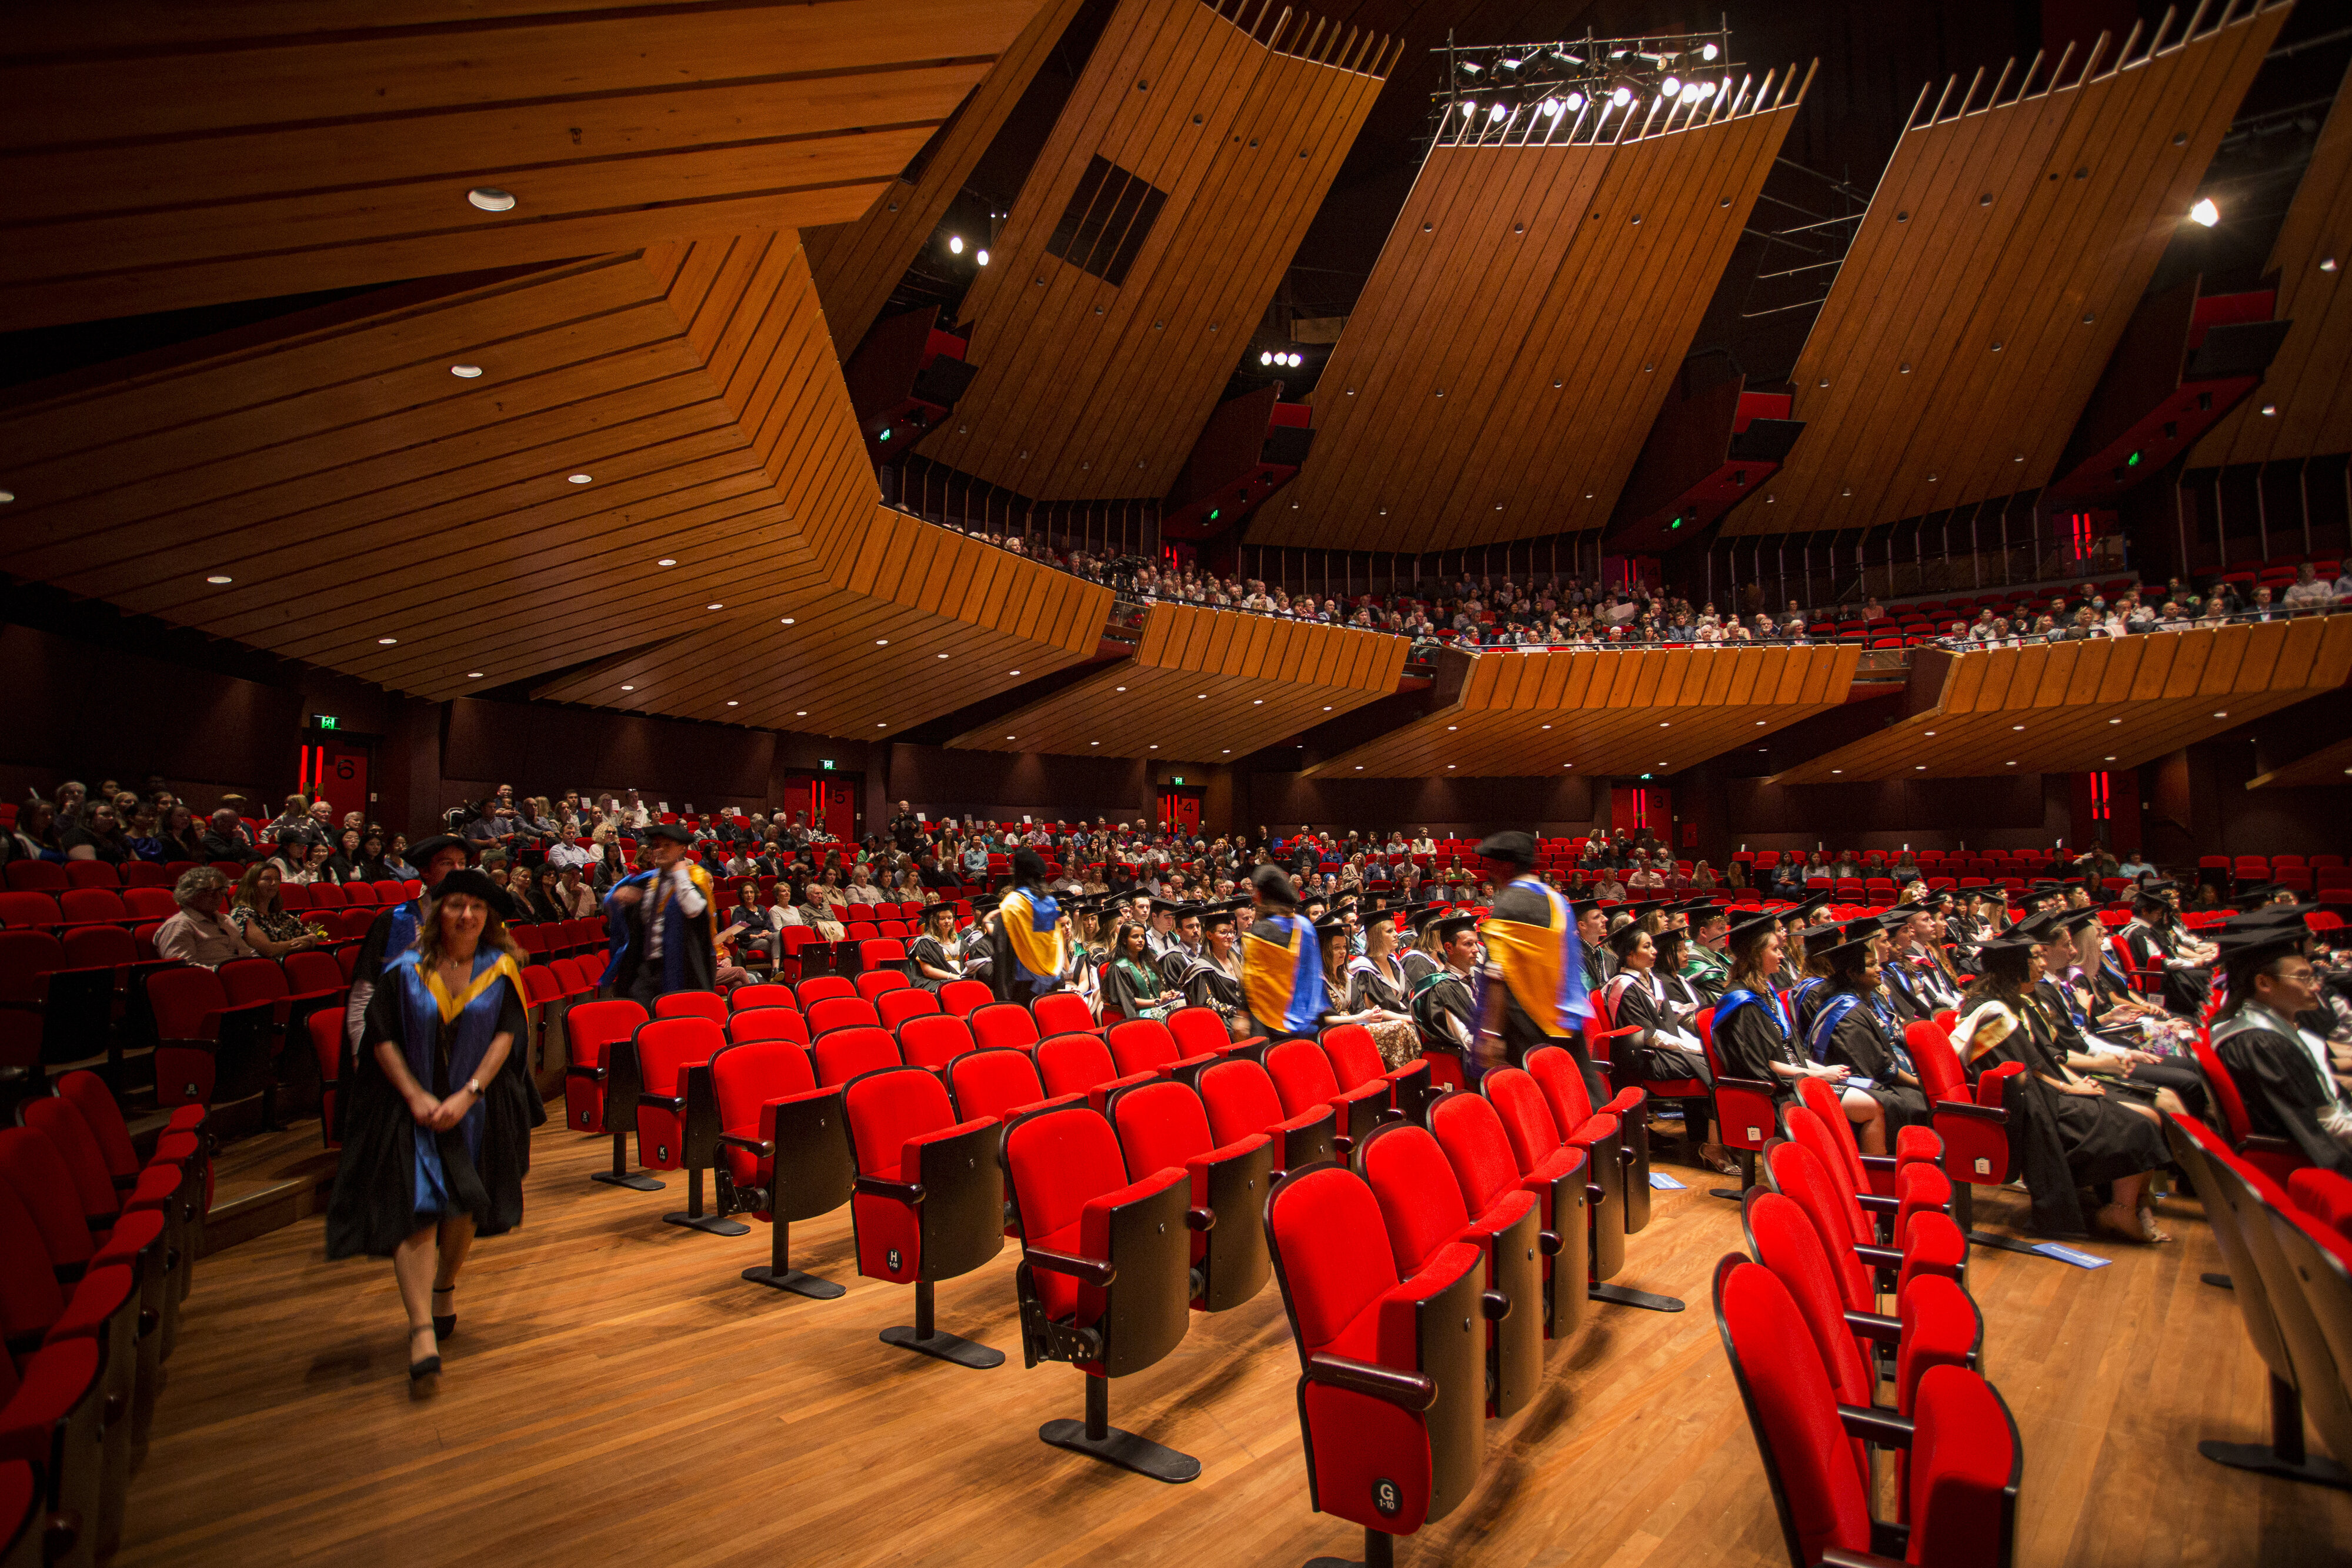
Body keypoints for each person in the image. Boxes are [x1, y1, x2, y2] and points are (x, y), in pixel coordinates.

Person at [325, 869, 538, 1381]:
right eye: (456, 905)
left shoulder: (501, 970)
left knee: (463, 1206)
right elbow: (381, 1036)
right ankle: (420, 1327)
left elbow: (506, 1036)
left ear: (489, 917)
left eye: (477, 907)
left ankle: (444, 1287)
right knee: (417, 1208)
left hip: (475, 1109)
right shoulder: (405, 969)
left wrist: (468, 1095)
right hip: (411, 1109)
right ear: (437, 912)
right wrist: (415, 1096)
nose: (467, 916)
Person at [1954, 933, 2171, 1242]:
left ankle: (2132, 1208)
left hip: (2043, 1093)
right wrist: (2068, 1089)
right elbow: (2019, 1071)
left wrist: (2073, 1082)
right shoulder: (1991, 1012)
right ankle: (2121, 1211)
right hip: (2027, 1108)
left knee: (2143, 1116)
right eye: (2036, 958)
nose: (2043, 964)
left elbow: (2044, 1059)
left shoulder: (2014, 1000)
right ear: (2016, 966)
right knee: (2137, 1125)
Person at [1470, 832, 1599, 1100]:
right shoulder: (1555, 898)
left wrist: (1490, 1033)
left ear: (1506, 865)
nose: (1488, 870)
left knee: (1538, 1106)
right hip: (1565, 1016)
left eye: (1492, 863)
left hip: (1527, 1022)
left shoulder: (1510, 903)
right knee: (1579, 1097)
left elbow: (1498, 973)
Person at [2210, 924, 2349, 1171]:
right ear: (2264, 983)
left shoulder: (2265, 1028)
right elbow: (2321, 1128)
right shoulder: (2261, 1043)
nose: (2316, 987)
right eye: (2304, 977)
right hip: (2307, 1166)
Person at [605, 824, 716, 1005]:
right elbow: (637, 923)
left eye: (667, 845)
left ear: (682, 849)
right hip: (647, 968)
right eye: (657, 845)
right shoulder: (647, 882)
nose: (660, 850)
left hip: (679, 968)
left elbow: (694, 910)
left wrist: (681, 876)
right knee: (637, 1008)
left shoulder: (693, 879)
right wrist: (623, 901)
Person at [1242, 862, 1326, 1042]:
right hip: (1308, 1022)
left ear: (1261, 895)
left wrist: (1242, 1015)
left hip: (1269, 1025)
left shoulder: (1261, 931)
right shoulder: (1305, 926)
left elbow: (1251, 982)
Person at [1335, 909, 1420, 1069]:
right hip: (1386, 1025)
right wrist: (1411, 1019)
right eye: (1390, 931)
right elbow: (1374, 1012)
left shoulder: (1394, 963)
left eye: (1395, 930)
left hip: (1405, 1018)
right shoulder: (1364, 969)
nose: (1396, 934)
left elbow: (1409, 996)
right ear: (1376, 936)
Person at [155, 866, 258, 968]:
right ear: (189, 894)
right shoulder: (179, 925)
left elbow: (248, 954)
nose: (217, 896)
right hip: (213, 977)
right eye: (209, 891)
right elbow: (184, 970)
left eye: (220, 890)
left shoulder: (227, 920)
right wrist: (225, 972)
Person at [1182, 902, 1254, 1040]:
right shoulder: (1202, 967)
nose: (1230, 936)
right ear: (1210, 935)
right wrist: (1237, 1011)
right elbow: (1207, 1004)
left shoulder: (1238, 959)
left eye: (1231, 932)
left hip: (1244, 1018)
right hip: (1222, 1023)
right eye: (1223, 932)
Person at [227, 861, 323, 960]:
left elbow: (312, 937)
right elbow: (269, 950)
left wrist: (307, 943)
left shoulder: (278, 914)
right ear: (252, 883)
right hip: (266, 966)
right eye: (267, 879)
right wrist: (298, 941)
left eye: (277, 879)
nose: (274, 883)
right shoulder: (242, 914)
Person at [1102, 919, 1182, 1021]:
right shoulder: (1119, 968)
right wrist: (1157, 1002)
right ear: (1124, 941)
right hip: (1141, 1012)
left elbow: (1161, 987)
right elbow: (1127, 1001)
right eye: (1135, 937)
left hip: (1159, 1005)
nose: (1141, 940)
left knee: (1183, 1006)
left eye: (1143, 937)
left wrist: (1166, 996)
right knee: (1167, 1017)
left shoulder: (1149, 961)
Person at [907, 903, 962, 993]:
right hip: (934, 981)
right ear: (935, 922)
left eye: (950, 918)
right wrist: (953, 977)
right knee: (954, 988)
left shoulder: (959, 940)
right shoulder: (925, 943)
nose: (947, 921)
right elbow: (927, 971)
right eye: (942, 919)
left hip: (960, 979)